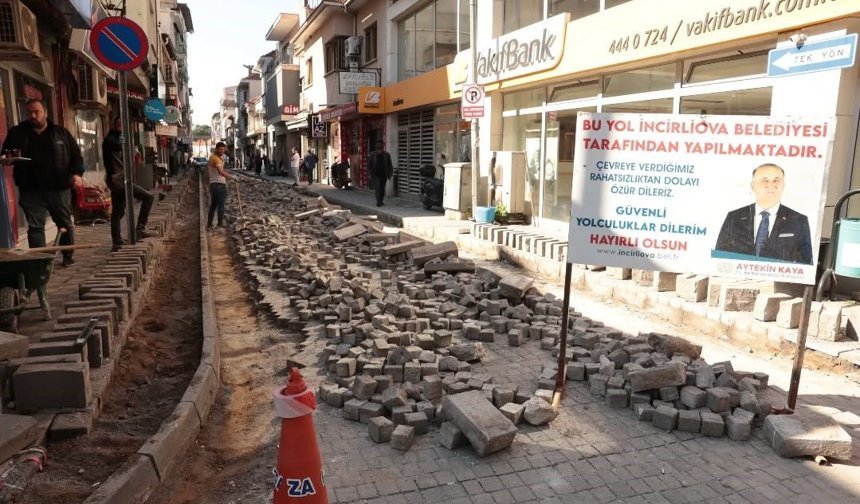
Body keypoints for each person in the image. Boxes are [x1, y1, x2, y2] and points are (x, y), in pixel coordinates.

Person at [0, 98, 83, 266]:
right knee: (35, 227)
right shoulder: (17, 132)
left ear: (45, 112)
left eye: (36, 112)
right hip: (31, 189)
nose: (33, 116)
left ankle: (68, 256)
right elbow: (6, 153)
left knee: (64, 223)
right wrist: (6, 159)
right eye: (29, 112)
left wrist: (77, 174)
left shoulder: (61, 133)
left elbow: (76, 156)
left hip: (59, 188)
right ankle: (40, 262)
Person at [714, 163, 812, 264]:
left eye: (776, 180)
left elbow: (806, 262)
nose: (771, 185)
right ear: (753, 186)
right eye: (765, 180)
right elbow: (719, 256)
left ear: (783, 185)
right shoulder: (734, 217)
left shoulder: (798, 220)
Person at [102, 117, 157, 252]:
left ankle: (117, 242)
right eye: (121, 126)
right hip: (118, 181)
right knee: (148, 197)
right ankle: (140, 228)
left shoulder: (115, 138)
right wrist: (125, 139)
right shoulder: (111, 139)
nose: (123, 129)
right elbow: (118, 145)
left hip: (119, 180)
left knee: (118, 212)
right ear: (116, 126)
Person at [207, 142, 231, 229]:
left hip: (213, 184)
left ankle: (209, 224)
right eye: (221, 149)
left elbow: (208, 172)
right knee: (221, 206)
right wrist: (231, 177)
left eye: (224, 149)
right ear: (216, 149)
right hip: (219, 185)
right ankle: (220, 224)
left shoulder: (212, 157)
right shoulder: (216, 159)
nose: (222, 151)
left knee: (213, 205)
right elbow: (220, 171)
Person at [368, 141, 393, 207]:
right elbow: (369, 165)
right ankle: (378, 202)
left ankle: (381, 200)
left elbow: (390, 165)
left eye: (380, 150)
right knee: (377, 187)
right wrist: (369, 174)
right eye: (378, 150)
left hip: (384, 174)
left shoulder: (387, 155)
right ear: (376, 150)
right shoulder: (372, 155)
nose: (379, 151)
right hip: (376, 174)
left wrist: (390, 174)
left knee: (382, 188)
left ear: (382, 149)